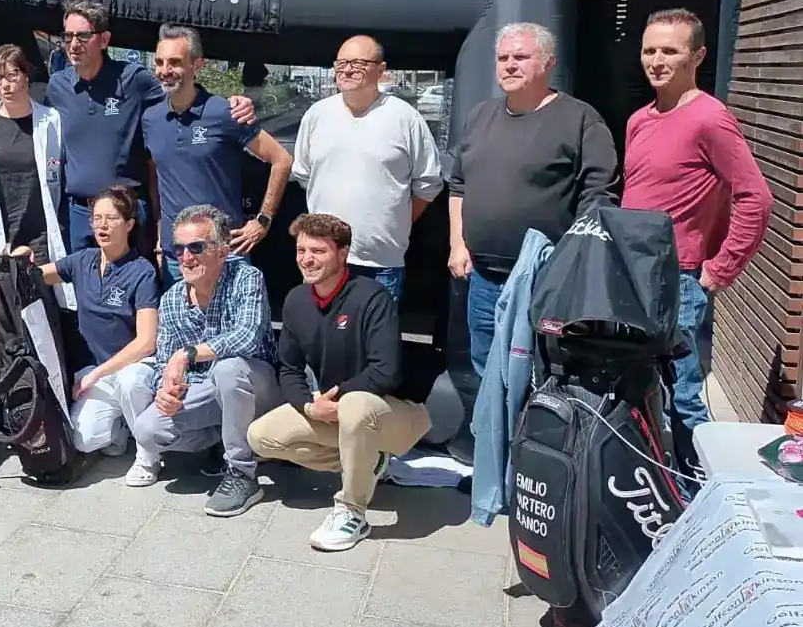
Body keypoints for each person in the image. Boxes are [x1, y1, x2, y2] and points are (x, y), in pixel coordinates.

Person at [620, 8, 772, 488]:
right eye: (650, 50)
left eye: (671, 50)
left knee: (682, 395)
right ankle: (657, 487)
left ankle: (703, 496)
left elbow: (756, 198)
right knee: (641, 391)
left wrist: (718, 271)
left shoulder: (710, 119)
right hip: (634, 277)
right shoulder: (639, 120)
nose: (657, 60)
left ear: (698, 55)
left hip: (681, 280)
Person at [0, 2, 256, 252]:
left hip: (127, 213)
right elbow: (24, 110)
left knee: (131, 300)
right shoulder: (58, 85)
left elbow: (179, 88)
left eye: (83, 36)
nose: (73, 44)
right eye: (67, 37)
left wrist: (230, 103)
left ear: (104, 39)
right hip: (80, 215)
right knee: (84, 300)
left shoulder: (135, 80)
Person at [249, 214, 435, 552]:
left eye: (318, 250)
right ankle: (369, 465)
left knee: (355, 405)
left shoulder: (372, 297)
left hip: (398, 413)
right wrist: (310, 406)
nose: (307, 259)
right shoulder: (295, 301)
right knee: (261, 437)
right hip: (341, 411)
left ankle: (352, 511)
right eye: (301, 250)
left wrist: (335, 398)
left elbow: (386, 371)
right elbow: (289, 370)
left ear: (343, 253)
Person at [447, 23, 618, 376]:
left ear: (548, 62)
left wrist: (573, 263)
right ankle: (491, 434)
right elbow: (459, 186)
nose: (510, 65)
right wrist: (457, 245)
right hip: (482, 279)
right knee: (485, 370)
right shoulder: (480, 116)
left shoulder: (580, 119)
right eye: (503, 58)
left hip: (544, 281)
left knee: (537, 375)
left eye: (521, 57)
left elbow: (599, 195)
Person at [124, 204, 282, 518]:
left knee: (227, 368)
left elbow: (248, 337)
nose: (185, 257)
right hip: (208, 390)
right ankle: (222, 443)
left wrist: (189, 353)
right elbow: (165, 363)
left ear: (222, 251)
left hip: (258, 387)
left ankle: (242, 473)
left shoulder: (246, 279)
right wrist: (167, 391)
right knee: (148, 430)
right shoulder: (171, 301)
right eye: (177, 249)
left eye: (196, 247)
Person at [290, 34, 443, 302]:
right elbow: (304, 175)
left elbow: (429, 184)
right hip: (322, 260)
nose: (347, 70)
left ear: (381, 71)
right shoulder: (317, 115)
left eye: (358, 63)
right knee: (321, 340)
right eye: (341, 63)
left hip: (382, 263)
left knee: (374, 342)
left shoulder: (405, 118)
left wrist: (397, 221)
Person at [143, 25, 293, 284]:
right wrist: (159, 232)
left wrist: (263, 220)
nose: (164, 70)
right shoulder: (150, 119)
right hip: (176, 256)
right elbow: (156, 176)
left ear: (197, 64)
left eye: (175, 62)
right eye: (159, 62)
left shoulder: (225, 112)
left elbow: (282, 159)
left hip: (225, 254)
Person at [29, 185, 160, 454]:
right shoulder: (82, 261)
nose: (102, 226)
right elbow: (37, 275)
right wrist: (22, 261)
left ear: (129, 224)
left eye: (111, 219)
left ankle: (148, 455)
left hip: (131, 369)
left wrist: (98, 374)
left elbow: (147, 342)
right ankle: (120, 426)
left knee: (130, 381)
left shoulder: (142, 271)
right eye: (96, 218)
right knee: (84, 441)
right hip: (95, 373)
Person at [0, 44, 71, 281]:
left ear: (26, 75)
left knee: (43, 307)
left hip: (40, 234)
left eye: (11, 76)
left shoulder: (51, 121)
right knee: (2, 307)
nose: (5, 85)